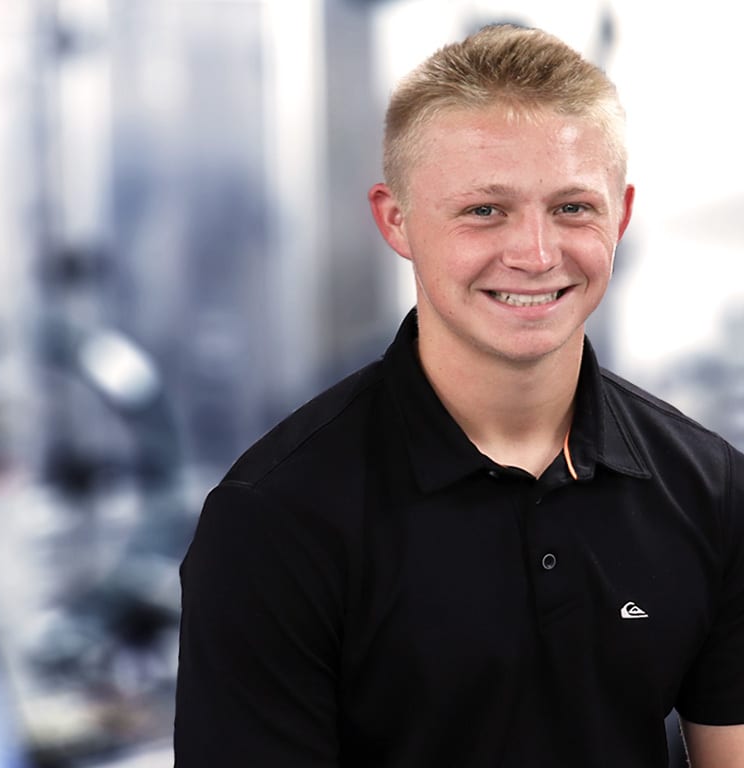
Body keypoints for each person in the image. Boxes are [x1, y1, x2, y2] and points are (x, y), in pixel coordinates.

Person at [173, 23, 744, 768]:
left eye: (573, 207)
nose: (536, 255)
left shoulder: (713, 491)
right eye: (485, 210)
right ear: (396, 220)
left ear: (621, 216)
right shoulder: (274, 520)